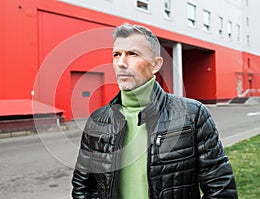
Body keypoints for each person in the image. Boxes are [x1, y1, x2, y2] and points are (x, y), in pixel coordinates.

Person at [71, 23, 238, 199]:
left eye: (132, 54)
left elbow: (220, 188)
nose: (121, 63)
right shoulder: (98, 120)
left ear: (156, 64)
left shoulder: (192, 114)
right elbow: (83, 188)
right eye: (116, 54)